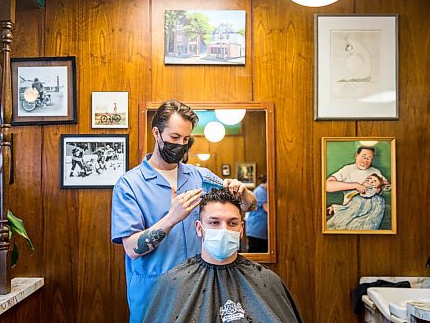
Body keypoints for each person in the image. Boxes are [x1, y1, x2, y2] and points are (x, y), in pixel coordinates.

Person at [111, 100, 257, 323]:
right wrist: (172, 217)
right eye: (174, 137)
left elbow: (248, 205)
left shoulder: (200, 177)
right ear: (156, 133)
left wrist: (244, 193)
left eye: (186, 139)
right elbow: (132, 248)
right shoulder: (129, 184)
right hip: (154, 294)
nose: (180, 145)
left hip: (200, 291)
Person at [142, 188, 303, 323]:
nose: (223, 230)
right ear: (199, 228)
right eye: (214, 222)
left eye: (232, 223)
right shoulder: (171, 283)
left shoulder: (267, 281)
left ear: (241, 229)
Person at [246, 174, 268, 252]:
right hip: (256, 228)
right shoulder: (260, 191)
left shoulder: (264, 191)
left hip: (259, 228)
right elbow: (267, 208)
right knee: (255, 251)